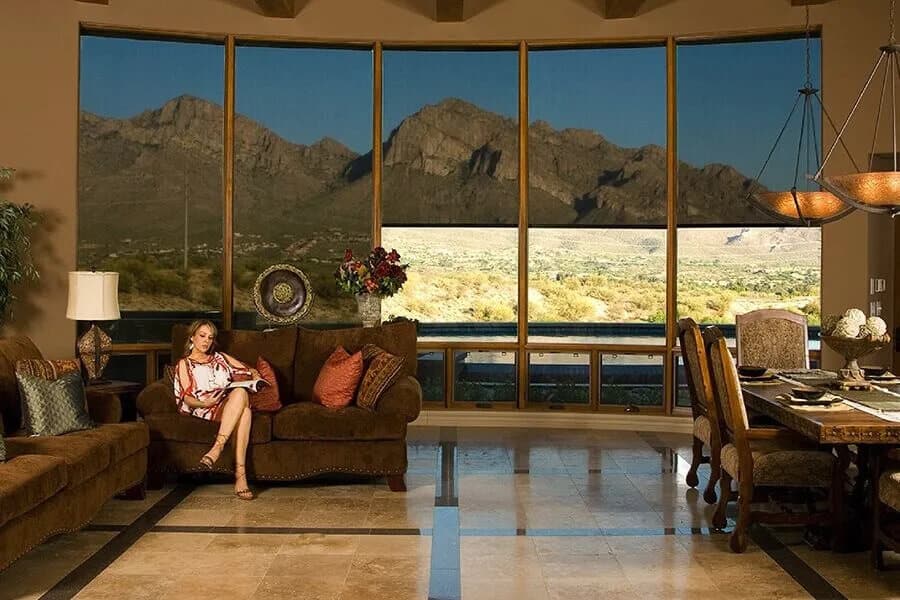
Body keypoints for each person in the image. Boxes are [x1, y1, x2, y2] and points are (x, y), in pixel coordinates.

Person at [173, 319, 259, 500]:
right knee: (245, 412)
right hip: (205, 406)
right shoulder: (185, 364)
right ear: (192, 338)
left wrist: (256, 374)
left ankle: (217, 448)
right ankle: (240, 477)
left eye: (210, 337)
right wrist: (204, 404)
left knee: (241, 396)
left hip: (225, 404)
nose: (206, 341)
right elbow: (186, 397)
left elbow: (247, 369)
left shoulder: (220, 358)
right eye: (202, 336)